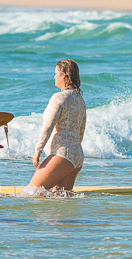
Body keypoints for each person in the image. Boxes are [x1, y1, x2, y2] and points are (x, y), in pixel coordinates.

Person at [28, 59, 87, 192]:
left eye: (55, 73)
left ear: (63, 76)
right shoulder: (80, 100)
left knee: (32, 192)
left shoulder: (59, 97)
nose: (54, 77)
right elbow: (81, 131)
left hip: (62, 154)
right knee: (61, 199)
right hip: (77, 155)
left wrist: (38, 150)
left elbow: (48, 126)